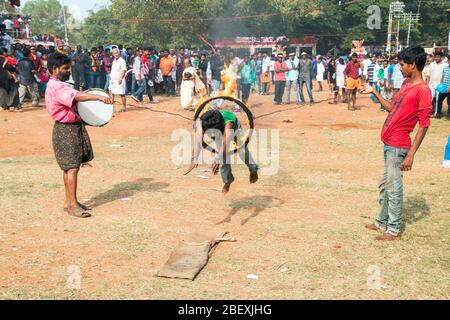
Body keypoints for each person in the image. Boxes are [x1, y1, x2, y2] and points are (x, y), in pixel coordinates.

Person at [360, 46, 432, 241]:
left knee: (394, 187)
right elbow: (392, 107)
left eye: (401, 65)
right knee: (385, 185)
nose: (399, 68)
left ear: (413, 64)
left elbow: (424, 125)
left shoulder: (423, 90)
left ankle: (393, 229)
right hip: (388, 142)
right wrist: (373, 91)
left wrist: (411, 154)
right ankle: (381, 221)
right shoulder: (406, 84)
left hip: (399, 145)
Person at [45, 52, 112, 218]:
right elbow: (77, 96)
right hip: (67, 130)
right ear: (54, 69)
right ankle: (73, 205)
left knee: (69, 167)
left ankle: (69, 202)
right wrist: (99, 97)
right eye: (65, 68)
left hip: (67, 128)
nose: (68, 71)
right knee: (72, 168)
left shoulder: (56, 84)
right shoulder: (57, 87)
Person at [184, 109, 259, 193]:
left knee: (242, 150)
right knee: (224, 158)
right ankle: (228, 181)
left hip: (234, 129)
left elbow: (225, 144)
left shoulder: (229, 124)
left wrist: (217, 158)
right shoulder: (200, 123)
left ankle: (253, 169)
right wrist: (194, 159)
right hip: (218, 131)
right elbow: (198, 142)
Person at [429, 52, 449, 117]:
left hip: (440, 86)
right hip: (431, 84)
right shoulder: (431, 65)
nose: (437, 58)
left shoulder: (445, 65)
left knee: (438, 99)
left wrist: (442, 84)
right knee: (431, 99)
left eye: (438, 57)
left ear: (441, 57)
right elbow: (428, 75)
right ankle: (431, 111)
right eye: (436, 57)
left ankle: (437, 113)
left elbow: (444, 75)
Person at [109, 47, 127, 113]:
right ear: (113, 54)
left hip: (119, 79)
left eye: (116, 53)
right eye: (114, 53)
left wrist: (121, 78)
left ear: (119, 53)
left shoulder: (122, 61)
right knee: (111, 92)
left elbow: (124, 70)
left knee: (122, 94)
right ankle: (111, 107)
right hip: (113, 80)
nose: (115, 54)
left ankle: (124, 107)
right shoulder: (114, 60)